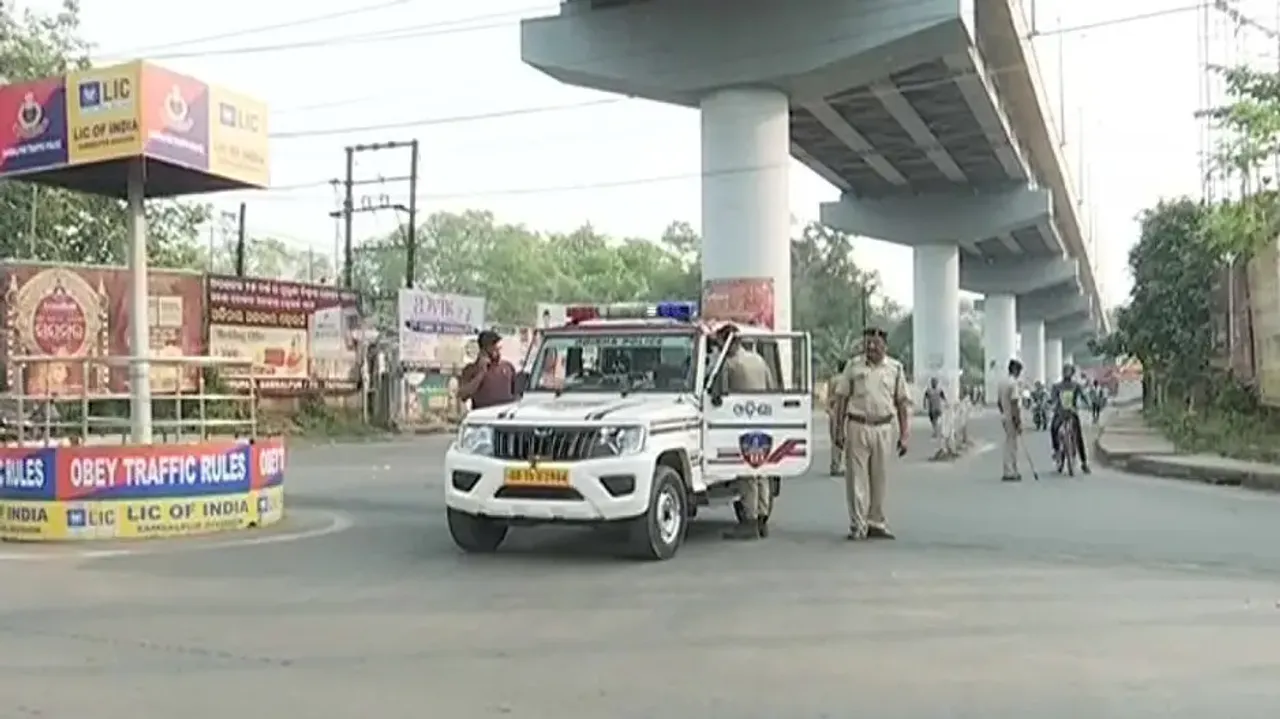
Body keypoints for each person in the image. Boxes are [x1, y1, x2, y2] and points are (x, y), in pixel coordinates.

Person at [831, 326, 910, 541]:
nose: (871, 347)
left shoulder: (895, 368)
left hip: (884, 427)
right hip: (858, 426)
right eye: (868, 343)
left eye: (876, 344)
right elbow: (841, 400)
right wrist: (837, 430)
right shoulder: (852, 367)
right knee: (856, 478)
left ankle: (876, 522)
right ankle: (858, 524)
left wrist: (905, 435)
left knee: (880, 478)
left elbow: (902, 403)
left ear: (885, 346)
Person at [716, 325, 778, 541]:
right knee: (762, 470)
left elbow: (720, 394)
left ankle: (749, 521)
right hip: (763, 417)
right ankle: (762, 519)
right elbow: (771, 388)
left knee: (747, 471)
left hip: (742, 420)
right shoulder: (758, 360)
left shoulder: (729, 364)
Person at [457, 330, 518, 410]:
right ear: (483, 349)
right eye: (492, 346)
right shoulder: (471, 369)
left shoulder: (507, 367)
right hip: (483, 414)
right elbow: (463, 395)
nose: (496, 349)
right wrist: (481, 373)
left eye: (497, 346)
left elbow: (517, 393)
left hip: (505, 413)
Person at [1049, 364, 1090, 473]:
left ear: (1072, 373)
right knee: (1053, 428)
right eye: (1065, 371)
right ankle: (1057, 450)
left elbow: (1084, 397)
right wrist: (1050, 404)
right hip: (1059, 413)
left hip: (1072, 413)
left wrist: (1088, 404)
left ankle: (1084, 462)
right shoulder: (1056, 386)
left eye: (1069, 371)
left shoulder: (1076, 386)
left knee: (1078, 436)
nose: (1067, 373)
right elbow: (1052, 399)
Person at [997, 359, 1024, 482]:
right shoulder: (1013, 384)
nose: (1019, 374)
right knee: (1012, 445)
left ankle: (1010, 470)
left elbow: (999, 402)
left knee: (1009, 443)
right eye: (1019, 371)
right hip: (1011, 417)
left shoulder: (1002, 382)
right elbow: (1014, 404)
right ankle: (1010, 472)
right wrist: (1017, 421)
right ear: (1015, 370)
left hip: (1004, 416)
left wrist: (1004, 413)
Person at [827, 359, 848, 476]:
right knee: (845, 439)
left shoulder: (833, 379)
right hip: (844, 410)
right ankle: (841, 465)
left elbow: (829, 397)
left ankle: (834, 465)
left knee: (835, 440)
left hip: (834, 410)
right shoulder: (846, 380)